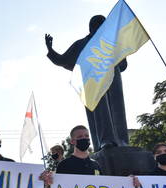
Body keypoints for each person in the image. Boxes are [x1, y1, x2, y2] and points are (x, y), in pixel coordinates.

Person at [45, 15, 129, 151]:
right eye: (98, 25)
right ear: (91, 28)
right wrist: (50, 50)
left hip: (114, 79)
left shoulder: (111, 42)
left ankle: (122, 141)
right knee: (99, 111)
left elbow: (123, 65)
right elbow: (63, 60)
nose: (101, 28)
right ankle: (105, 141)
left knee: (117, 109)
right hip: (93, 81)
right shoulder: (82, 44)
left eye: (103, 25)